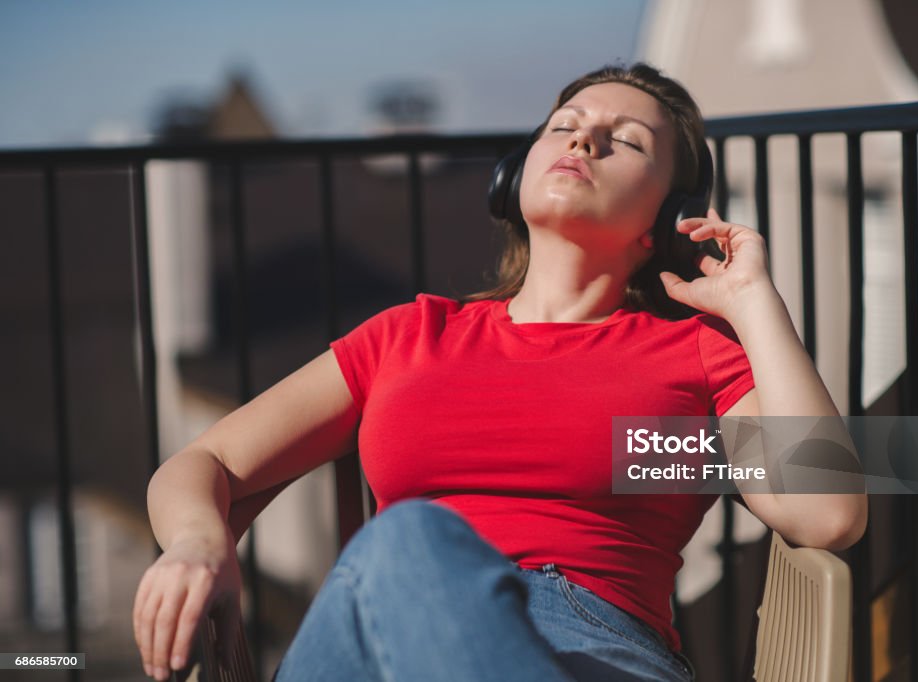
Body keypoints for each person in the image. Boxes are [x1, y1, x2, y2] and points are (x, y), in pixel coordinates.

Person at [133, 62, 868, 681]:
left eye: (627, 141)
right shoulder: (411, 335)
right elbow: (206, 462)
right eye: (566, 124)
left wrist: (752, 302)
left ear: (667, 217)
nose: (585, 136)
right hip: (381, 636)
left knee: (405, 541)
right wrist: (200, 541)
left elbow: (827, 512)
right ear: (515, 174)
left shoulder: (690, 354)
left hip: (587, 646)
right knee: (402, 552)